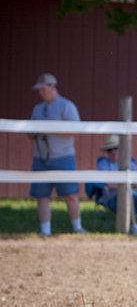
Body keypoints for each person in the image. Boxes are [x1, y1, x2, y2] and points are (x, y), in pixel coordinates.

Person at [28, 73, 87, 236]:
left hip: (63, 157)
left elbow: (75, 130)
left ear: (52, 87)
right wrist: (34, 132)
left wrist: (48, 129)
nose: (41, 92)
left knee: (71, 195)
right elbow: (30, 131)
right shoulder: (37, 109)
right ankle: (45, 231)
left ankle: (77, 228)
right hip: (40, 157)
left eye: (43, 89)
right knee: (42, 196)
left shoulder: (67, 106)